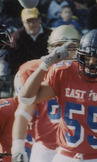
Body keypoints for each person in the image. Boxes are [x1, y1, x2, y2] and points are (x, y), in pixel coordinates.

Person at [12, 29, 97, 162]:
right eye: (87, 58)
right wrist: (46, 64)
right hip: (65, 155)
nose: (92, 64)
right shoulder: (64, 71)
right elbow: (26, 98)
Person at [13, 25, 81, 162]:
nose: (64, 51)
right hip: (45, 146)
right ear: (50, 47)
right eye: (59, 45)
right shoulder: (33, 70)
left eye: (70, 47)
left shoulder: (86, 72)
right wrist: (18, 146)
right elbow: (24, 110)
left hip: (77, 146)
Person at [7, 7, 52, 75]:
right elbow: (14, 61)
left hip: (47, 72)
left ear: (40, 19)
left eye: (34, 20)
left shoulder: (50, 35)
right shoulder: (17, 37)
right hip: (25, 73)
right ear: (23, 23)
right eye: (28, 21)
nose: (31, 24)